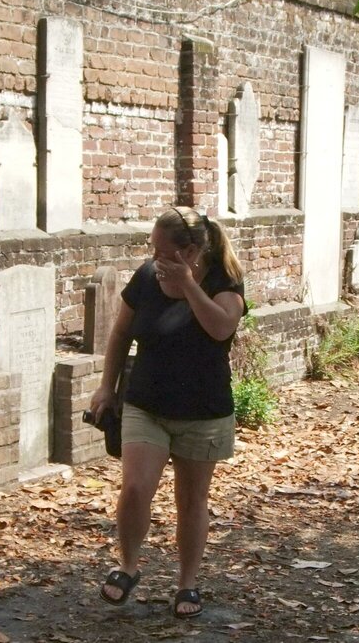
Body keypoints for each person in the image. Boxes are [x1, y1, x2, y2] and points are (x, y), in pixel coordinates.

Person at [89, 206, 246, 619]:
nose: (153, 256)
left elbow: (221, 328)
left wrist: (189, 286)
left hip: (204, 410)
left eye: (162, 250)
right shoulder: (145, 277)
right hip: (147, 404)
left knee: (191, 500)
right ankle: (127, 567)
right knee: (136, 487)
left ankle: (187, 584)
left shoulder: (222, 280)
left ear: (191, 250)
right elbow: (121, 332)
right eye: (151, 248)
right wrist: (107, 387)